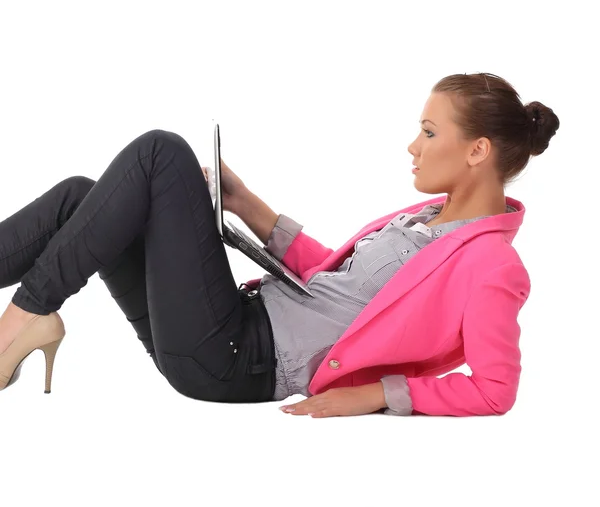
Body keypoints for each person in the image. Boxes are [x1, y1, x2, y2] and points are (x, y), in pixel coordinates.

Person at [0, 72, 559, 417]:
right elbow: (331, 283)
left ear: (478, 151)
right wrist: (243, 201)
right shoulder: (427, 217)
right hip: (230, 321)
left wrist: (377, 395)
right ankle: (28, 317)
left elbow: (494, 390)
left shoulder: (491, 262)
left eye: (431, 132)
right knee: (81, 198)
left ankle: (23, 316)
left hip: (236, 357)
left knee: (159, 154)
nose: (413, 145)